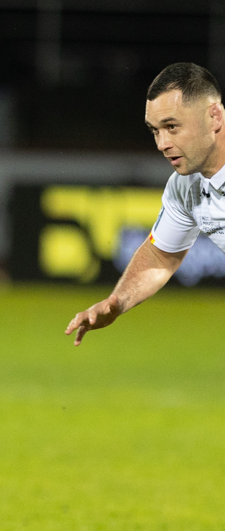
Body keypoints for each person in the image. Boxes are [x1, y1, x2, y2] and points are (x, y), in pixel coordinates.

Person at [67, 63, 225, 345]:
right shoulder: (185, 187)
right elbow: (160, 257)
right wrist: (117, 302)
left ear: (214, 116)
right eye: (155, 131)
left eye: (172, 127)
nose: (162, 143)